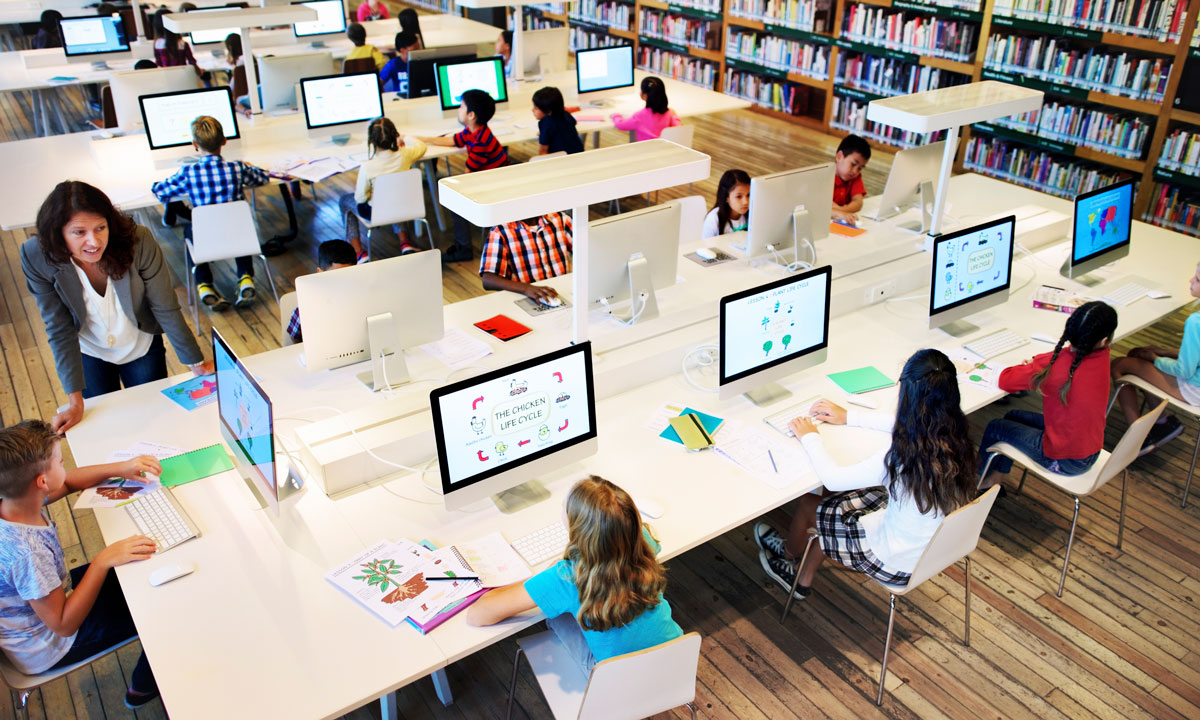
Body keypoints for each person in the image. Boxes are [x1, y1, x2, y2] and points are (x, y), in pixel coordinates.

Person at [754, 349, 978, 599]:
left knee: (811, 503)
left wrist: (810, 437)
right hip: (934, 548)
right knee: (834, 502)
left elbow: (833, 478)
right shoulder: (956, 434)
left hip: (894, 563)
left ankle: (789, 554)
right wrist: (850, 417)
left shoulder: (901, 457)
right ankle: (803, 580)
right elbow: (905, 425)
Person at [20, 182, 212, 434]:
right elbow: (58, 328)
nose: (94, 241)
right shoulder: (35, 255)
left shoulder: (138, 240)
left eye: (101, 228)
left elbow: (165, 307)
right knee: (105, 429)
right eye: (79, 232)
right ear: (58, 234)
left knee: (155, 422)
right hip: (88, 349)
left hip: (141, 344)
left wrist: (195, 363)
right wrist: (74, 401)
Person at [0, 420, 161, 708]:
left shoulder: (15, 502)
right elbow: (63, 624)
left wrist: (121, 468)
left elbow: (71, 480)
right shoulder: (26, 553)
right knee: (162, 604)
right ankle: (143, 687)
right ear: (42, 483)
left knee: (144, 571)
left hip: (51, 598)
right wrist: (102, 560)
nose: (65, 467)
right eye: (60, 462)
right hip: (50, 643)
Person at [466, 476, 683, 675]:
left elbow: (477, 615)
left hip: (614, 684)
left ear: (576, 527)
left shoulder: (566, 576)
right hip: (675, 664)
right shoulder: (641, 541)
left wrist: (541, 578)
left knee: (557, 615)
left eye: (565, 506)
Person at [979, 301, 1118, 487]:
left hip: (1064, 461)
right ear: (1104, 341)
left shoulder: (1057, 367)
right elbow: (1067, 358)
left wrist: (1035, 364)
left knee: (995, 427)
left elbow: (1006, 380)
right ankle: (994, 479)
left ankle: (976, 480)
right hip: (1089, 448)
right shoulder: (1102, 355)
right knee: (1012, 416)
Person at [151, 115, 270, 310]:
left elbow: (161, 191)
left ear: (195, 145)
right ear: (224, 141)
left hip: (206, 240)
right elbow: (262, 178)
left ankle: (204, 284)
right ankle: (246, 277)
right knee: (238, 223)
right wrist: (249, 166)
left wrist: (155, 184)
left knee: (191, 230)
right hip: (240, 238)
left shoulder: (188, 172)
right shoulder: (236, 168)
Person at [1111, 262, 1200, 454]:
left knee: (1119, 365)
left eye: (1197, 279)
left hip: (1194, 389)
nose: (1191, 280)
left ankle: (1138, 439)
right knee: (1137, 354)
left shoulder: (1196, 322)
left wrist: (1155, 358)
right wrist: (1164, 352)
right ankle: (1163, 421)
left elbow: (1184, 370)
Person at [419, 90, 509, 263]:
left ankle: (464, 248)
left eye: (461, 107)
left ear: (471, 115)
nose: (458, 110)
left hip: (494, 187)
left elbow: (469, 175)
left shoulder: (481, 141)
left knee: (455, 201)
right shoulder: (475, 131)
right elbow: (452, 140)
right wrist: (419, 139)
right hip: (491, 180)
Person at [339, 117, 427, 259]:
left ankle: (358, 252)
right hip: (405, 207)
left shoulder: (368, 166)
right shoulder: (405, 155)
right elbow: (422, 147)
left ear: (371, 142)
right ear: (395, 136)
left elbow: (360, 197)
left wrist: (371, 195)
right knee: (396, 196)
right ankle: (405, 242)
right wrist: (406, 138)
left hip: (376, 212)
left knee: (344, 200)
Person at [480, 212, 572, 301]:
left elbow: (585, 250)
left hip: (562, 292)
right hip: (524, 296)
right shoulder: (500, 231)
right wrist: (526, 288)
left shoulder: (561, 219)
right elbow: (488, 279)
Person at [286, 241, 357, 343]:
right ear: (320, 273)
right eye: (335, 277)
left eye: (348, 276)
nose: (341, 283)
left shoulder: (361, 297)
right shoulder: (307, 306)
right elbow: (295, 337)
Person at [611, 77, 681, 141]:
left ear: (644, 96)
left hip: (645, 151)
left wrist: (615, 116)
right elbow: (677, 127)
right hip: (663, 150)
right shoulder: (668, 113)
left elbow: (621, 125)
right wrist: (675, 116)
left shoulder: (639, 116)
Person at [532, 86, 583, 155]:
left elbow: (543, 151)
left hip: (560, 160)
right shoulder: (566, 114)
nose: (532, 110)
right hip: (579, 155)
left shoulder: (545, 123)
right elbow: (573, 122)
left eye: (535, 107)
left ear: (548, 110)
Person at [832, 134, 870, 225]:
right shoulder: (824, 176)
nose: (855, 171)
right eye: (853, 164)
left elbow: (858, 202)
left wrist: (842, 211)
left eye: (860, 168)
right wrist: (841, 213)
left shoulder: (855, 177)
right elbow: (821, 207)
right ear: (839, 157)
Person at [703, 169, 751, 238]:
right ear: (726, 197)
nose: (746, 202)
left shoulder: (752, 215)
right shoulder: (713, 219)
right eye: (739, 196)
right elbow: (705, 247)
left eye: (748, 195)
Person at [153, 12, 202, 78]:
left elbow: (158, 63)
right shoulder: (182, 44)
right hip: (183, 77)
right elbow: (192, 62)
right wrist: (199, 72)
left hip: (167, 78)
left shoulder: (157, 44)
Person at [380, 30, 420, 94]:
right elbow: (378, 83)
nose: (419, 51)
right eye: (415, 49)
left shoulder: (421, 62)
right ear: (402, 50)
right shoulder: (393, 64)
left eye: (419, 48)